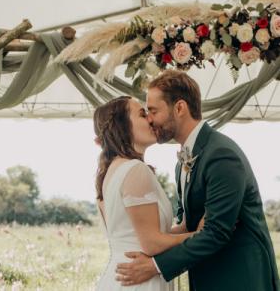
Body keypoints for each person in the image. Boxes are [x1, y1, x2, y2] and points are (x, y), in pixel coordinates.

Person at [116, 70, 280, 291]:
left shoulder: (221, 155)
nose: (150, 119)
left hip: (239, 278)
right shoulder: (182, 161)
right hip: (207, 276)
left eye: (154, 110)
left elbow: (216, 232)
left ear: (180, 108)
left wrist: (155, 266)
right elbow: (188, 224)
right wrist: (148, 240)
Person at [93, 96, 204, 290]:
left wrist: (186, 227)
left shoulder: (113, 170)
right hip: (140, 281)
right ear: (122, 126)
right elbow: (152, 243)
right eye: (142, 114)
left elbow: (143, 233)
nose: (151, 120)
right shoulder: (134, 169)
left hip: (123, 278)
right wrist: (201, 234)